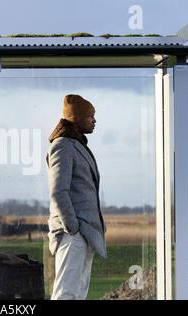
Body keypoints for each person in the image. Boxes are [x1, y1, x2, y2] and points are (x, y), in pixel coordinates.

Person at [46, 94, 107, 300]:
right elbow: (58, 191)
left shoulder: (76, 144)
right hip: (73, 234)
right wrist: (73, 228)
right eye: (91, 116)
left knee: (78, 294)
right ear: (77, 118)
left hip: (84, 233)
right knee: (66, 294)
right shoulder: (63, 145)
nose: (94, 120)